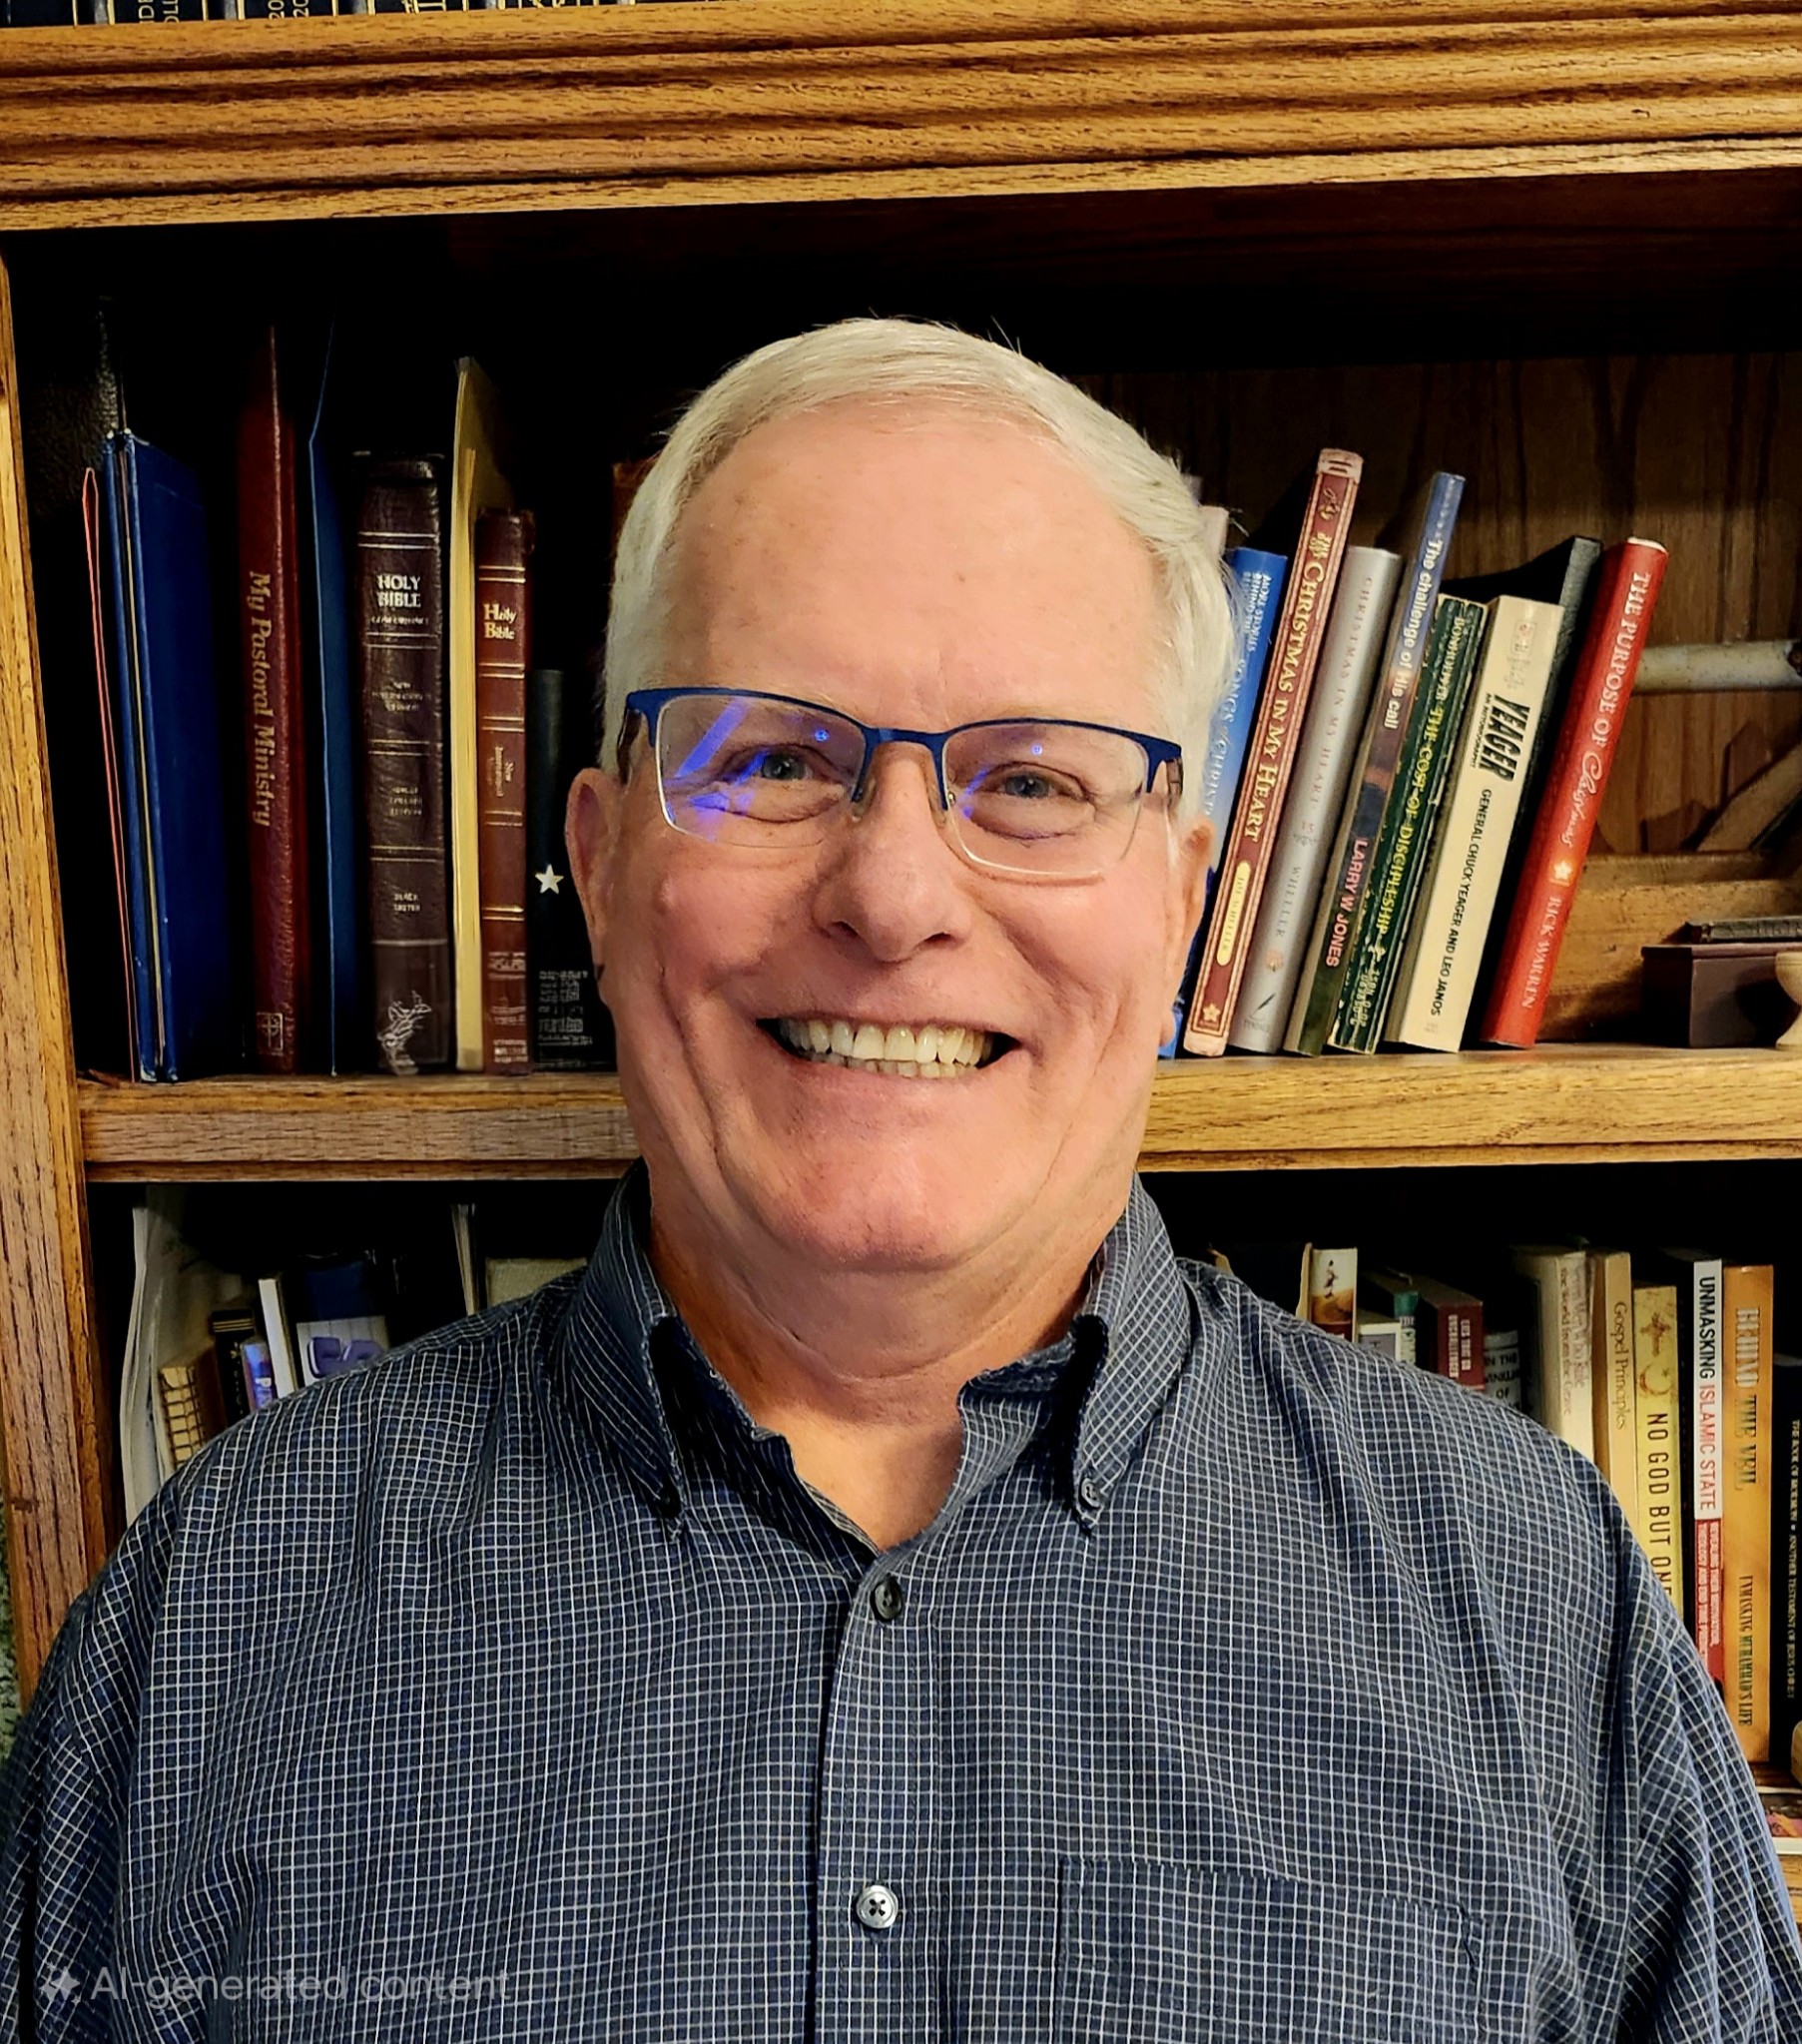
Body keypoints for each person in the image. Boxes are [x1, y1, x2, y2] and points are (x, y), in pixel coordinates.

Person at [4, 320, 1800, 2042]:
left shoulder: (1535, 1604)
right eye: (776, 760)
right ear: (601, 872)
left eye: (1031, 783)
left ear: (1180, 905)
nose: (892, 896)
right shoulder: (216, 1609)